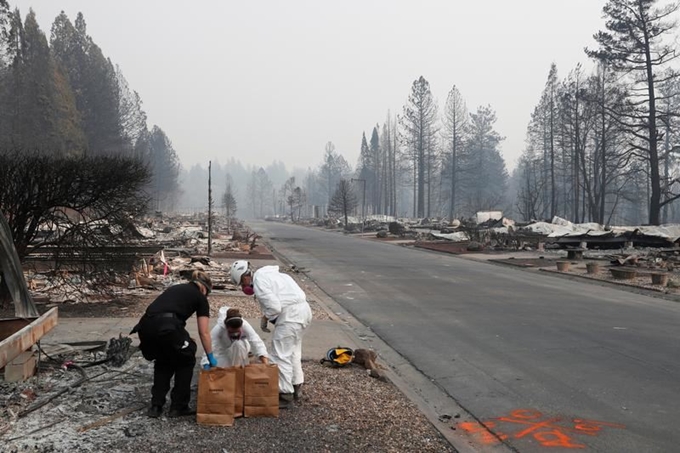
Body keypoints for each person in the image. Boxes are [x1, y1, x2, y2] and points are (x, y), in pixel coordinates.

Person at [131, 270, 217, 418]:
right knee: (187, 357)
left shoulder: (176, 288)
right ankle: (179, 406)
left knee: (164, 359)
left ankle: (156, 406)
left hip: (145, 327)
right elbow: (204, 332)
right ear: (205, 288)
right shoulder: (200, 298)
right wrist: (211, 357)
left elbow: (165, 311)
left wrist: (182, 338)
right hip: (167, 328)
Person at [230, 260, 312, 407]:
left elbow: (275, 307)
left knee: (280, 354)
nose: (245, 287)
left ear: (245, 276)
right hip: (304, 312)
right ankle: (296, 385)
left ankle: (284, 394)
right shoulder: (275, 275)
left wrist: (265, 317)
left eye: (242, 284)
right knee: (293, 351)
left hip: (291, 317)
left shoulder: (259, 281)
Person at [200, 306, 269, 368]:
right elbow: (209, 345)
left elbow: (256, 341)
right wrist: (206, 362)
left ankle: (239, 368)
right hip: (223, 350)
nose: (235, 334)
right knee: (220, 372)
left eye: (237, 331)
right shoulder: (219, 329)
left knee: (238, 344)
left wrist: (264, 360)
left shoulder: (245, 325)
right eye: (231, 332)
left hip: (240, 349)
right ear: (226, 327)